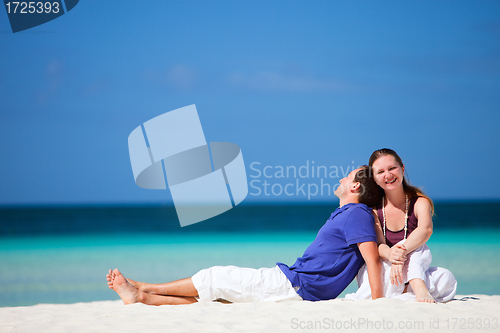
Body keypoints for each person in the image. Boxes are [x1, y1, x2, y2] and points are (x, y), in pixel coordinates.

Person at [107, 166, 384, 305]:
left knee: (213, 277)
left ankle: (144, 288)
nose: (341, 179)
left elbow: (371, 259)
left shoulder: (357, 213)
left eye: (347, 177)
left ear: (356, 186)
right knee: (217, 298)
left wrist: (378, 303)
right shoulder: (348, 214)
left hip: (295, 284)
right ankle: (141, 297)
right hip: (295, 285)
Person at [346, 149, 457, 303]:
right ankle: (414, 291)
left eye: (392, 168)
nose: (388, 175)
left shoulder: (419, 202)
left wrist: (401, 254)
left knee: (444, 276)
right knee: (413, 253)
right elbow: (377, 245)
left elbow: (426, 230)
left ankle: (408, 289)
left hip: (411, 267)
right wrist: (392, 255)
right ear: (375, 179)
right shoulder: (373, 210)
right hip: (385, 269)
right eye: (381, 172)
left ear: (402, 169)